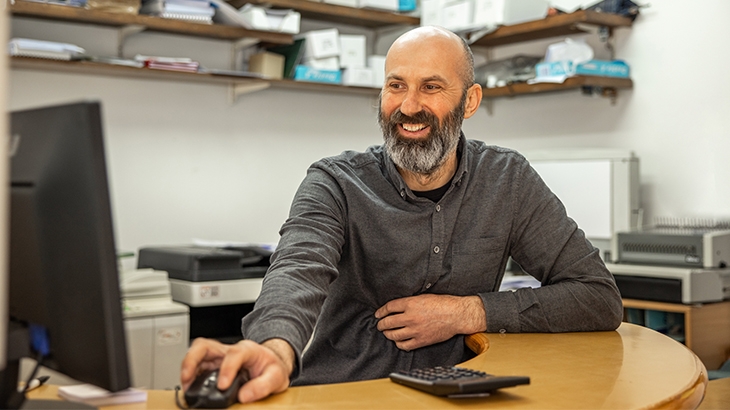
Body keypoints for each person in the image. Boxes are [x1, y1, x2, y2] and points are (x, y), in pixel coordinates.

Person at [180, 26, 623, 404]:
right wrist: (273, 349)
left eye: (431, 87)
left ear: (469, 101)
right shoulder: (335, 182)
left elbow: (597, 296)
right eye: (396, 85)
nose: (409, 106)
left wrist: (468, 312)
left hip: (456, 399)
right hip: (343, 397)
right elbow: (296, 272)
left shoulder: (507, 179)